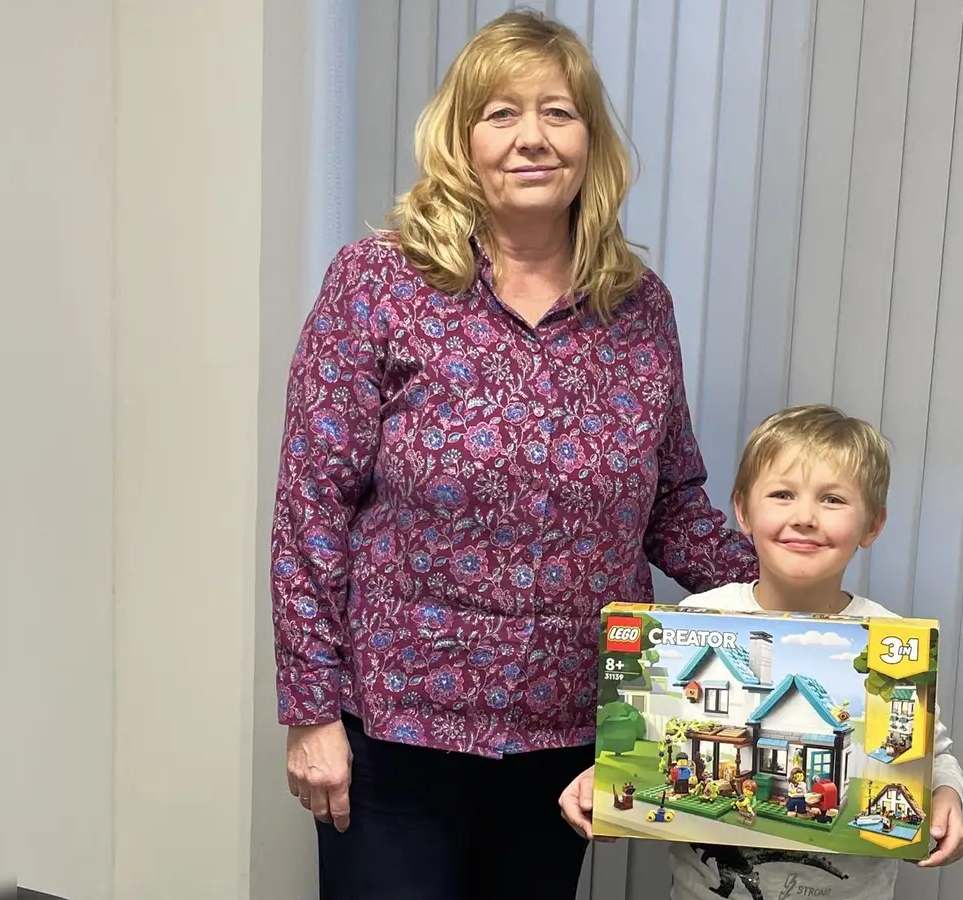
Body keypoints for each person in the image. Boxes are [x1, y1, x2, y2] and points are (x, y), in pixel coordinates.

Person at [270, 10, 757, 899]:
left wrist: (797, 598)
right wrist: (309, 712)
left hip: (567, 738)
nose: (531, 136)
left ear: (591, 141)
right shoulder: (378, 284)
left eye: (558, 113)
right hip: (396, 732)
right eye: (500, 114)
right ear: (460, 140)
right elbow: (311, 510)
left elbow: (674, 502)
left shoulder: (638, 306)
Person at [558, 405, 963, 900]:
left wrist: (946, 796)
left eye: (833, 499)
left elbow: (929, 752)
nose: (804, 517)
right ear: (743, 512)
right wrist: (597, 780)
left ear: (872, 524)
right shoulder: (699, 619)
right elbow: (649, 732)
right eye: (782, 495)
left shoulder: (892, 642)